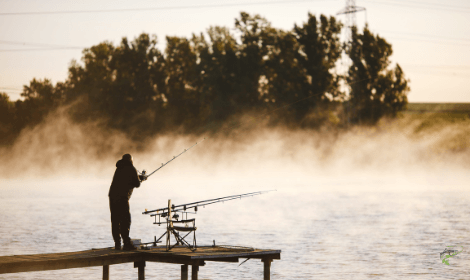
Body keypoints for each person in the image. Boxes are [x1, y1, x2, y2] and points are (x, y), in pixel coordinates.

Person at [108, 154, 146, 250]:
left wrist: (139, 178)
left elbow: (128, 180)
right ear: (130, 160)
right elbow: (136, 184)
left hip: (112, 196)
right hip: (122, 197)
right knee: (125, 220)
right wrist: (142, 179)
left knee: (115, 220)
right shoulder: (131, 168)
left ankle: (117, 244)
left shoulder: (119, 167)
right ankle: (126, 244)